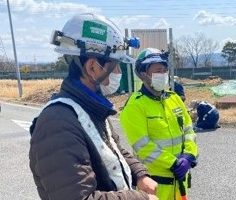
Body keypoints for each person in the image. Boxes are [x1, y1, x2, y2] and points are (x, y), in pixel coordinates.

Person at [29, 13, 159, 200]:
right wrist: (140, 198)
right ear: (93, 67)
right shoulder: (57, 124)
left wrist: (139, 174)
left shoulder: (90, 109)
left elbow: (112, 150)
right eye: (115, 65)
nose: (118, 73)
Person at [120, 48, 198, 200]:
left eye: (164, 70)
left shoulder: (174, 98)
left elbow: (189, 130)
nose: (162, 74)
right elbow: (142, 147)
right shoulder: (135, 105)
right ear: (143, 74)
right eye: (157, 71)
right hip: (155, 187)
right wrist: (174, 163)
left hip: (179, 183)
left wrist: (189, 155)